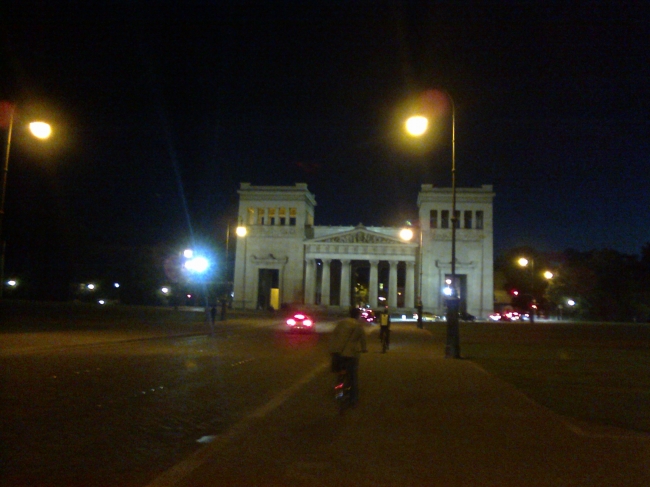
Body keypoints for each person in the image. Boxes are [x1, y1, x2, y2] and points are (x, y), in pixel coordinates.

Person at [329, 307, 368, 406]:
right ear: (358, 315)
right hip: (351, 354)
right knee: (353, 376)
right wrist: (364, 349)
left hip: (338, 353)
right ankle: (353, 399)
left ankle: (338, 391)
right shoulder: (358, 326)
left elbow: (334, 336)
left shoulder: (341, 323)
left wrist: (333, 349)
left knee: (339, 373)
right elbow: (363, 340)